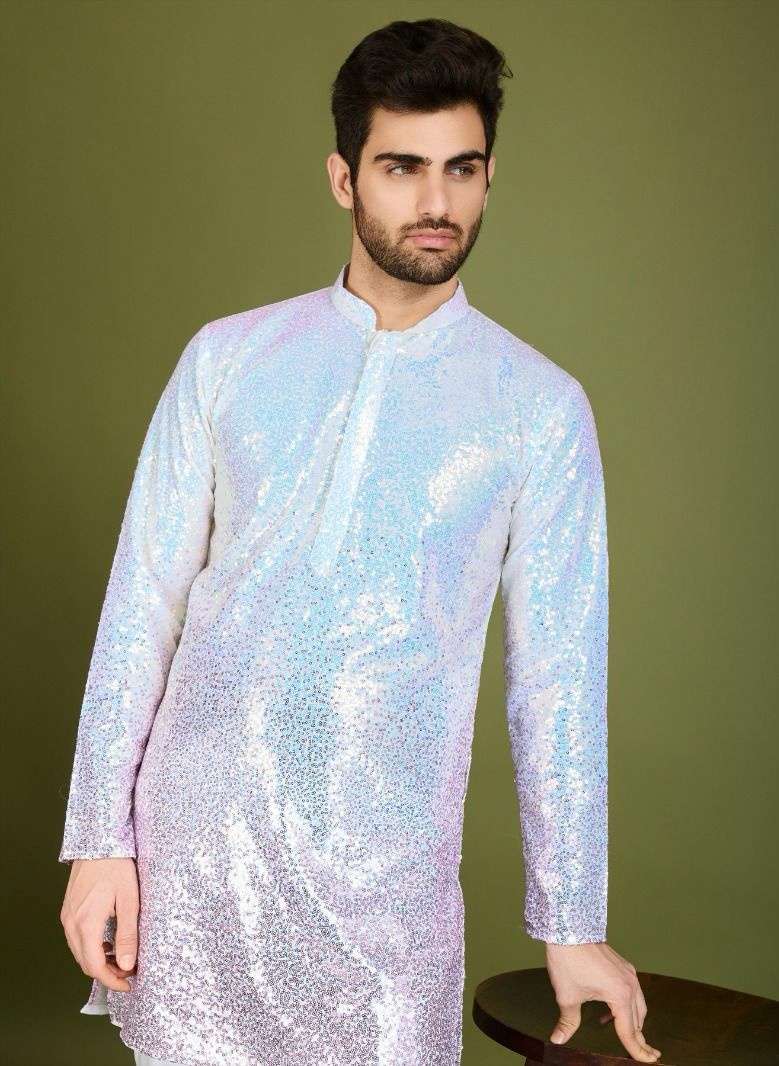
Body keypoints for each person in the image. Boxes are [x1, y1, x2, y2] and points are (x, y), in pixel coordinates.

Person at [58, 16, 661, 1066]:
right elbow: (142, 602)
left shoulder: (536, 408)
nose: (436, 203)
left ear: (488, 176)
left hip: (386, 901)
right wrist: (100, 842)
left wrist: (570, 920)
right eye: (401, 167)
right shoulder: (227, 360)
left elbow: (557, 680)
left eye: (461, 169)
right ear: (344, 178)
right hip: (194, 867)